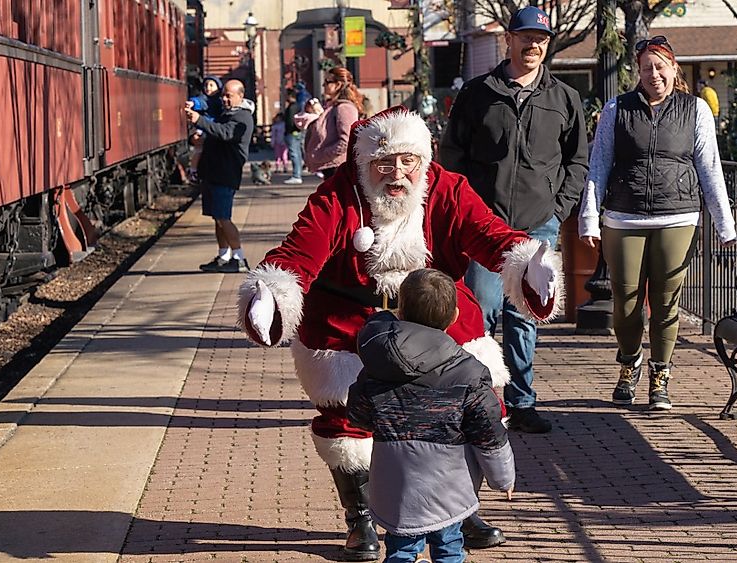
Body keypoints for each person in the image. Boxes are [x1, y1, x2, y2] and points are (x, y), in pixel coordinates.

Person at [237, 107, 562, 559]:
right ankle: (362, 519)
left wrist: (527, 262)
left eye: (408, 161)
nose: (398, 174)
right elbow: (300, 250)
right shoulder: (337, 195)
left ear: (423, 159)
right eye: (384, 163)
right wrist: (273, 289)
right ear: (363, 164)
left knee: (478, 400)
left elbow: (489, 234)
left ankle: (459, 509)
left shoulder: (447, 187)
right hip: (352, 320)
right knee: (347, 419)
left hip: (437, 311)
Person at [440, 6, 589, 434]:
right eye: (526, 37)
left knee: (526, 317)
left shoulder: (564, 98)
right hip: (485, 226)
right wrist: (467, 209)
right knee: (481, 313)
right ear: (509, 38)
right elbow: (452, 157)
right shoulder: (477, 93)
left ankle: (522, 403)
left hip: (538, 225)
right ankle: (480, 401)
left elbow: (577, 161)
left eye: (541, 39)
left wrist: (558, 208)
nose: (534, 45)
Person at [578, 35, 737, 410]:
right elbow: (598, 165)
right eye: (647, 68)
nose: (654, 75)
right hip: (623, 217)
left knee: (666, 303)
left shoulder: (695, 110)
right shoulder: (617, 109)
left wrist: (724, 223)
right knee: (627, 303)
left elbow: (709, 169)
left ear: (674, 68)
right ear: (638, 71)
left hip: (678, 217)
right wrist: (590, 219)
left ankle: (660, 377)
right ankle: (628, 363)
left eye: (660, 67)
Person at [347, 268, 515, 562]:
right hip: (448, 487)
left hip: (394, 486)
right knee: (449, 548)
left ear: (399, 311)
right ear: (454, 317)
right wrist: (503, 479)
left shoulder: (378, 362)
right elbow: (489, 434)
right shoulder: (468, 372)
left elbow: (358, 414)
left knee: (400, 551)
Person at [184, 79, 255, 273]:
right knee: (217, 218)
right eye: (223, 94)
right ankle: (224, 256)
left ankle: (240, 258)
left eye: (228, 95)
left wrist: (199, 120)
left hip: (226, 173)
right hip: (214, 173)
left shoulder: (242, 117)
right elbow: (214, 131)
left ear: (241, 96)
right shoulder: (227, 113)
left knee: (224, 218)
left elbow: (225, 133)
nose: (224, 99)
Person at [304, 66, 363, 179]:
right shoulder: (332, 106)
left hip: (339, 167)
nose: (323, 85)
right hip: (331, 167)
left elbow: (347, 141)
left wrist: (322, 154)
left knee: (337, 196)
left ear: (338, 84)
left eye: (327, 82)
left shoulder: (344, 108)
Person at [187, 76, 224, 183]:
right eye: (206, 85)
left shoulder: (220, 100)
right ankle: (193, 170)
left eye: (211, 85)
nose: (208, 87)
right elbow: (201, 102)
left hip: (214, 129)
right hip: (204, 128)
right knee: (198, 150)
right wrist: (193, 103)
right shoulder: (204, 99)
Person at [283, 89, 304, 185]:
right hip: (298, 132)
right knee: (298, 153)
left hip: (292, 133)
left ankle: (296, 175)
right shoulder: (299, 106)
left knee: (294, 154)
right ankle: (298, 173)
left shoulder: (291, 107)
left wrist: (289, 131)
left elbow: (290, 121)